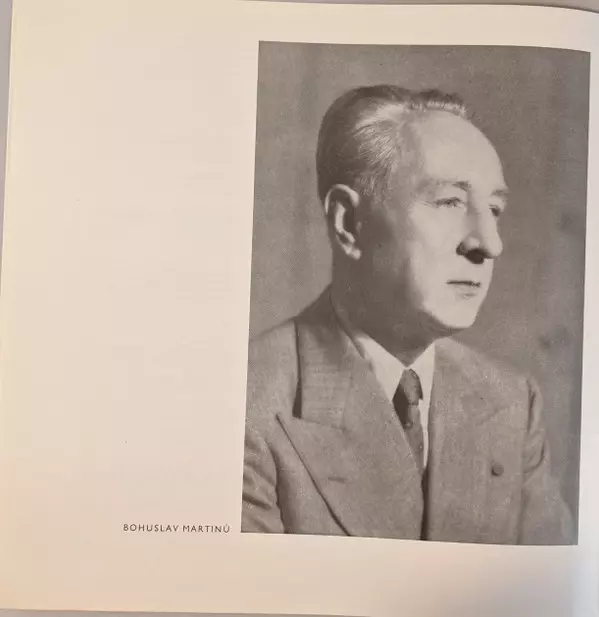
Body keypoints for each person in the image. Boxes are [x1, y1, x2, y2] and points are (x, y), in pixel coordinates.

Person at [241, 85, 574, 544]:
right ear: (348, 223)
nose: (489, 243)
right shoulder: (245, 405)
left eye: (495, 209)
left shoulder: (512, 403)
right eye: (450, 202)